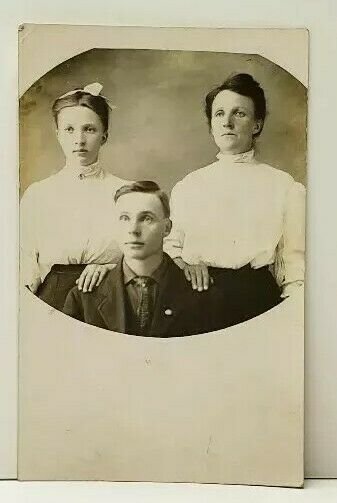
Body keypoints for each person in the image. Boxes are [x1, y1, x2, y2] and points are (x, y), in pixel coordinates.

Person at [164, 73, 305, 324]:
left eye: (239, 113)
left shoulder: (284, 186)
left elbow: (293, 263)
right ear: (211, 125)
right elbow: (170, 245)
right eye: (219, 114)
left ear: (256, 125)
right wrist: (185, 264)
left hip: (257, 299)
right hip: (198, 297)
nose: (227, 122)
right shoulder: (189, 185)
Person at [63, 181, 231, 337]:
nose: (133, 230)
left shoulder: (204, 298)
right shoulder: (84, 297)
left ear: (167, 228)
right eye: (124, 218)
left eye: (146, 218)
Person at [20, 83, 129, 310]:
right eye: (69, 129)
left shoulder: (127, 193)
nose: (79, 139)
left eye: (89, 129)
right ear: (58, 135)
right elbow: (23, 259)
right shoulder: (39, 194)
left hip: (112, 296)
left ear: (104, 136)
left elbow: (149, 258)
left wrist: (109, 269)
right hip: (52, 298)